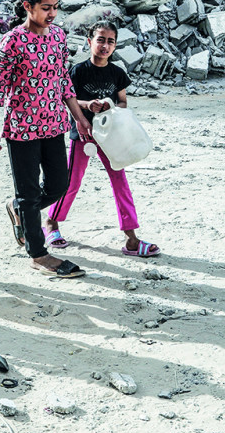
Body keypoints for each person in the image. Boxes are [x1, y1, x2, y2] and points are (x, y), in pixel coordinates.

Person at [0, 0, 93, 278]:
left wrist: (79, 116)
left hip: (54, 123)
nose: (52, 14)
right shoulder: (12, 41)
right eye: (46, 8)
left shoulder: (58, 37)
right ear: (27, 6)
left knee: (58, 185)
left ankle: (19, 208)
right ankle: (38, 254)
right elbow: (0, 85)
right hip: (21, 128)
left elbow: (63, 81)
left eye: (55, 7)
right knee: (30, 193)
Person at [44, 21, 160, 258]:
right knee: (72, 181)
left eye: (110, 41)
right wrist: (88, 105)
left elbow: (123, 102)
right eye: (100, 40)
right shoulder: (78, 71)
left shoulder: (117, 73)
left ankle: (131, 240)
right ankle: (52, 223)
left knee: (120, 182)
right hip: (84, 135)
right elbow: (68, 99)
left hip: (111, 138)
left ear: (115, 45)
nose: (105, 45)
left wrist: (109, 106)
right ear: (90, 42)